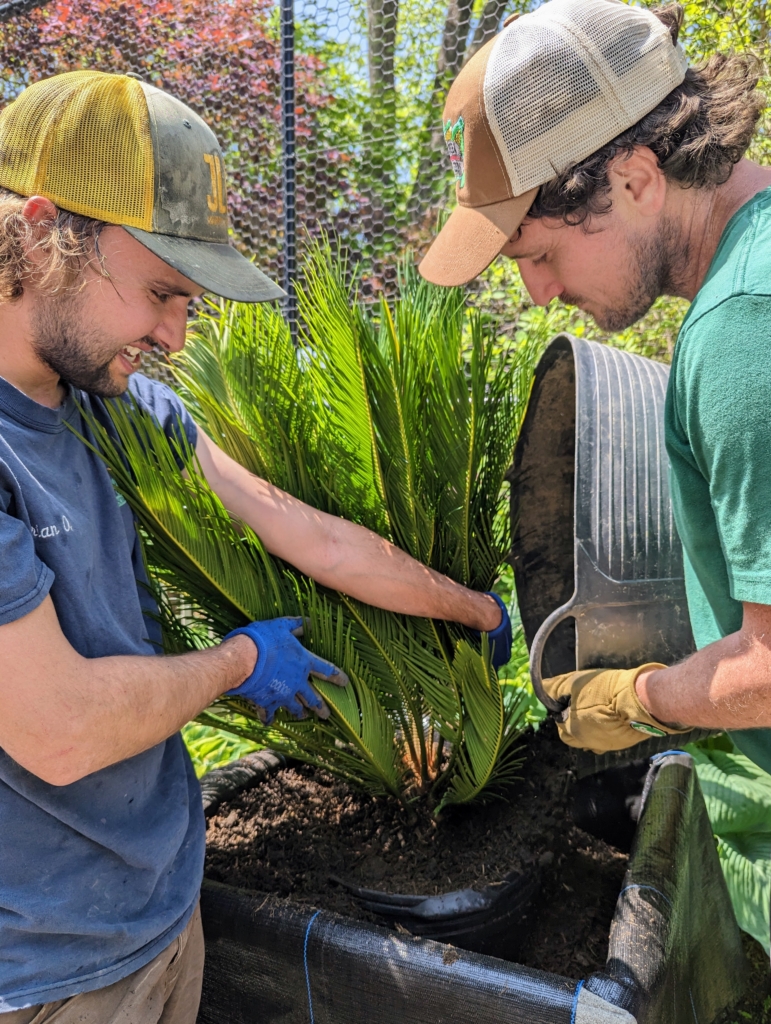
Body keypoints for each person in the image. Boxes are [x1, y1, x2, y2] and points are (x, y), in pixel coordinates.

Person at [0, 71, 511, 1022]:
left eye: (187, 301)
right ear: (41, 232)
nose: (172, 334)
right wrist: (239, 661)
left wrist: (471, 609)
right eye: (160, 291)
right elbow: (58, 729)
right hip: (41, 972)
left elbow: (296, 525)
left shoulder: (114, 409)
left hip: (158, 911)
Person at [420, 2, 771, 769]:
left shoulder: (743, 327)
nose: (538, 294)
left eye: (537, 254)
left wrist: (637, 701)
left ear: (635, 179)